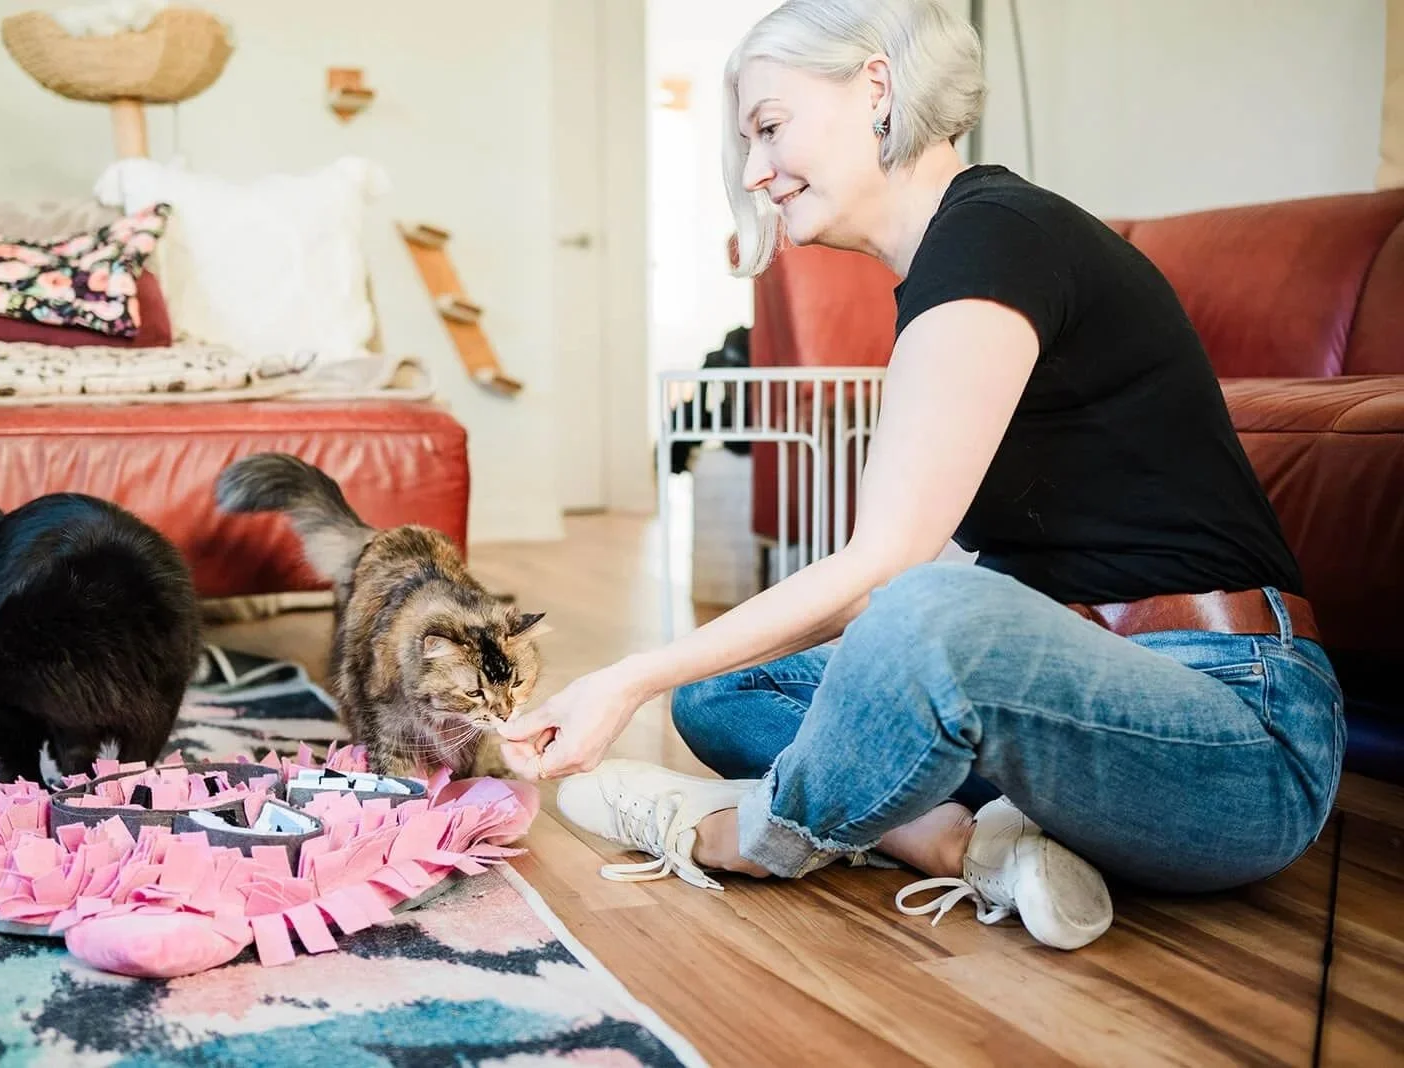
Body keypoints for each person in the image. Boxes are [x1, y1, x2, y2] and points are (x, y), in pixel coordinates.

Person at [497, 0, 1345, 951]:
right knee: (725, 687)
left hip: (1239, 738)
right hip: (1075, 706)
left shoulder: (997, 236)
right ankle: (968, 849)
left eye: (769, 127)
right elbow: (888, 592)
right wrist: (668, 679)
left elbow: (893, 573)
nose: (753, 172)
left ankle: (752, 834)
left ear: (876, 85)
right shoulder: (955, 260)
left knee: (927, 610)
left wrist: (622, 680)